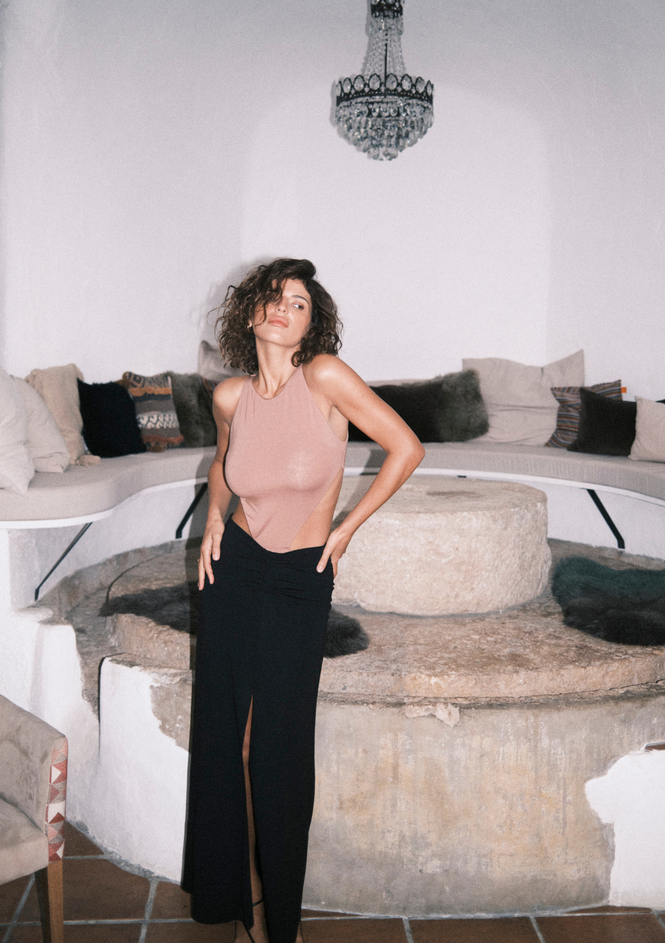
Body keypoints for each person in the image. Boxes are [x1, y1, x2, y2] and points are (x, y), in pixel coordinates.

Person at [182, 257, 424, 943]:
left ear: (312, 324)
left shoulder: (325, 378)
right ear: (251, 311)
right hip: (233, 570)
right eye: (275, 297)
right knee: (225, 736)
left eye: (300, 303)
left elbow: (406, 448)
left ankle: (278, 920)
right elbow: (222, 466)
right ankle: (236, 899)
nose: (284, 309)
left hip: (298, 579)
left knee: (279, 750)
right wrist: (213, 518)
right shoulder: (231, 396)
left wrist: (346, 528)